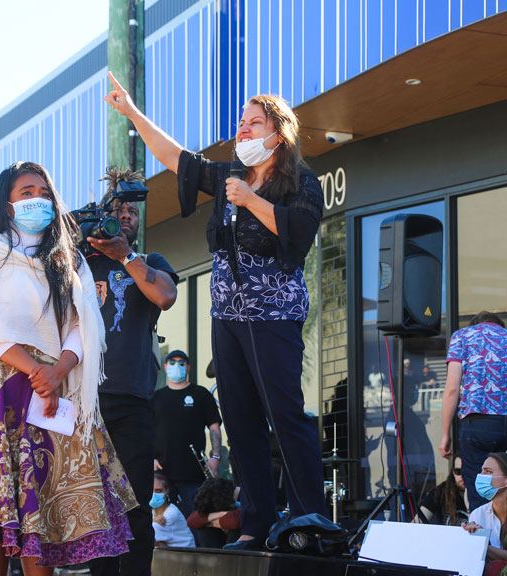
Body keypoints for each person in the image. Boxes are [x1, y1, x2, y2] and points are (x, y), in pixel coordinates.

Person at [105, 72, 327, 550]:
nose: (242, 130)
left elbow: (301, 233)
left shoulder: (300, 184)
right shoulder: (229, 175)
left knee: (285, 416)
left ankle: (313, 518)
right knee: (240, 419)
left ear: (278, 132)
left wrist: (251, 201)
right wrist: (130, 113)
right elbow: (177, 159)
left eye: (252, 123)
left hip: (273, 318)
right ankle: (256, 523)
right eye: (241, 122)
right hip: (227, 319)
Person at [0, 161, 136, 576]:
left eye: (43, 192)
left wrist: (56, 372)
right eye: (26, 192)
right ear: (6, 205)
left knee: (43, 495)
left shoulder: (69, 259)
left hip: (55, 389)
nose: (37, 199)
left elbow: (84, 323)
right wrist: (35, 371)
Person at [85, 168, 178, 576]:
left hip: (134, 400)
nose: (124, 216)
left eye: (131, 212)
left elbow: (165, 295)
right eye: (117, 209)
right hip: (87, 400)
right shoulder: (80, 263)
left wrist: (124, 255)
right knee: (93, 506)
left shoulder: (150, 261)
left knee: (136, 504)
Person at [440, 311, 507, 510]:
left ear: (475, 324)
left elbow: (452, 389)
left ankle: (484, 537)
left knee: (480, 490)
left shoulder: (462, 336)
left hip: (477, 423)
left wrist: (445, 434)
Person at [152, 349, 222, 520]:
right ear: (166, 366)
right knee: (161, 522)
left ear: (188, 368)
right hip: (162, 474)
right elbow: (145, 430)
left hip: (193, 473)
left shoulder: (201, 394)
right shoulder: (156, 397)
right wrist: (150, 458)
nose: (177, 366)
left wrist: (216, 456)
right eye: (173, 362)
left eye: (181, 363)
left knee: (194, 520)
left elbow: (214, 426)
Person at [462, 452, 507, 574]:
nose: (480, 476)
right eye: (481, 471)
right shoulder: (478, 514)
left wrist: (482, 544)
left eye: (488, 471)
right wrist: (470, 536)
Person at [186, 478, 241, 549]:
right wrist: (217, 515)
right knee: (203, 528)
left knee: (235, 530)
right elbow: (191, 521)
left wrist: (215, 523)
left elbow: (235, 521)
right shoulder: (216, 499)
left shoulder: (244, 496)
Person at [415, 455, 468, 526]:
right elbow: (417, 522)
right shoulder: (440, 492)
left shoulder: (482, 493)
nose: (462, 476)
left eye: (467, 471)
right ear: (453, 472)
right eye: (458, 471)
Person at [151, 475, 194, 549]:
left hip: (185, 556)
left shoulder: (171, 514)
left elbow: (147, 533)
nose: (154, 494)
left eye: (159, 491)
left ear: (167, 493)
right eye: (151, 490)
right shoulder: (153, 511)